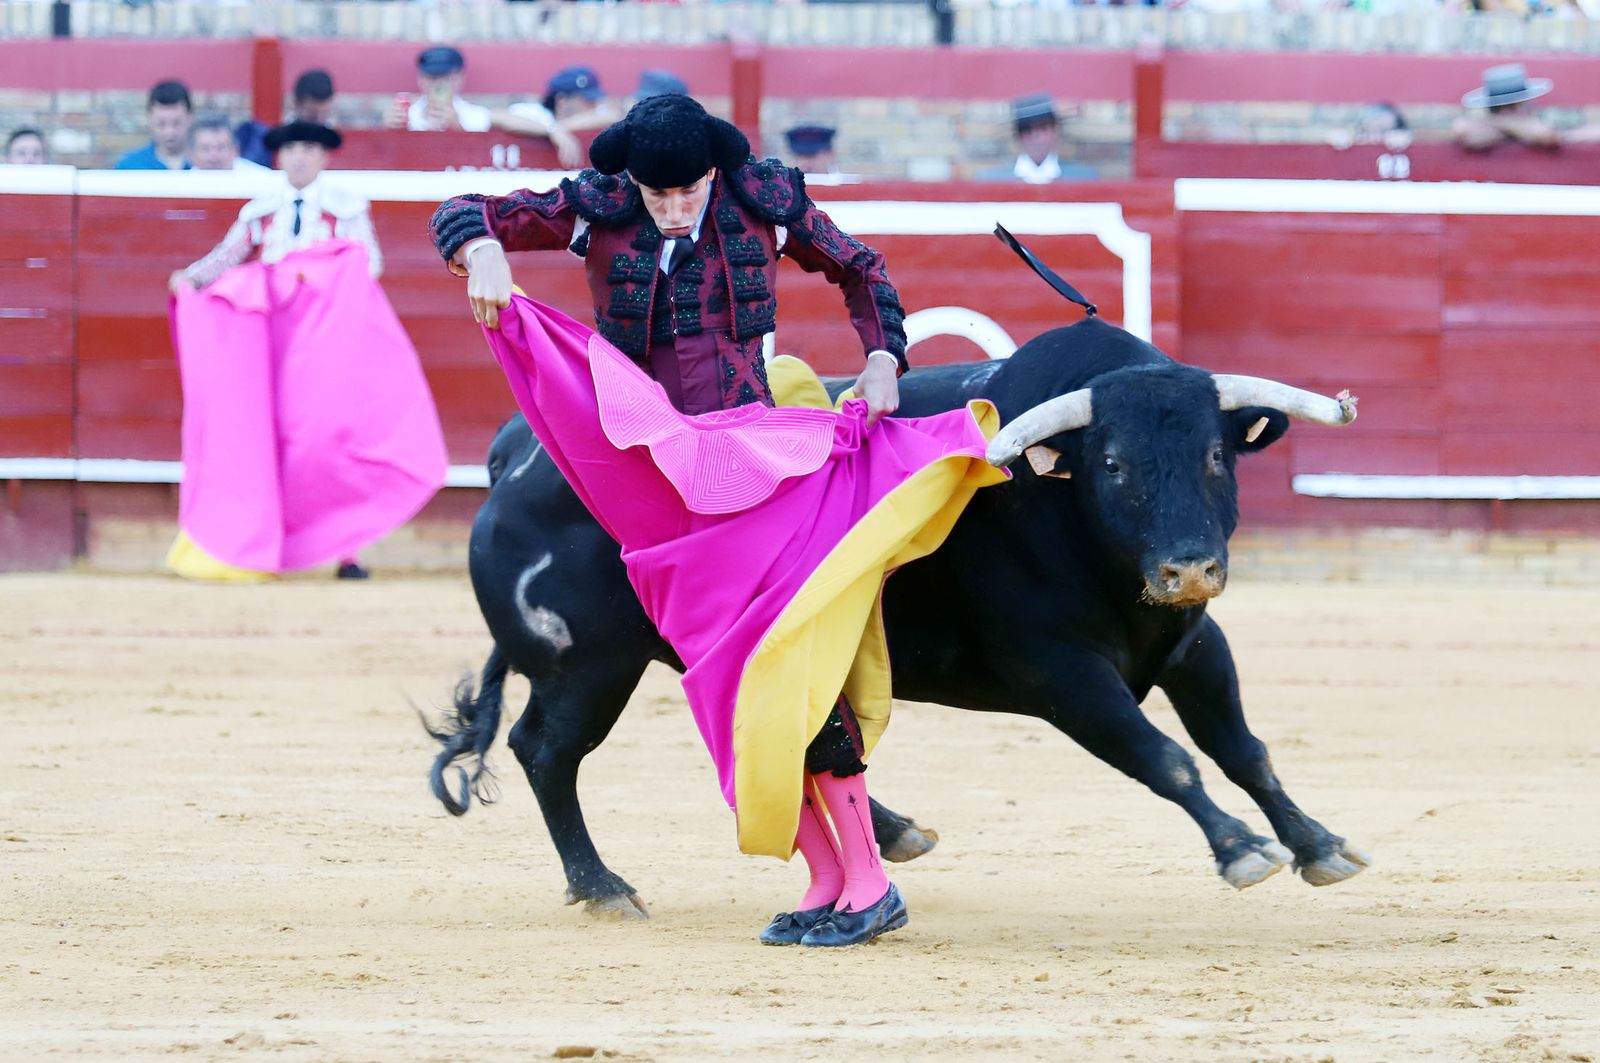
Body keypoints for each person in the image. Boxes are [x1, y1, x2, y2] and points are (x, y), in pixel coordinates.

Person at [429, 94, 1005, 947]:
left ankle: (870, 881)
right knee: (730, 677)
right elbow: (461, 208)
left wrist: (883, 355)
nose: (670, 209)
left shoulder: (762, 198)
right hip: (650, 473)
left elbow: (862, 268)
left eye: (685, 193)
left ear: (713, 173)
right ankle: (824, 874)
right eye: (654, 197)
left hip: (749, 460)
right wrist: (478, 249)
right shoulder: (598, 203)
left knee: (785, 654)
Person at [165, 122, 444, 583]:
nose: (298, 156)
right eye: (291, 148)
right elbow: (226, 256)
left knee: (326, 439)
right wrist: (191, 279)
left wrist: (315, 276)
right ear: (280, 156)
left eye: (308, 148)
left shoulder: (345, 209)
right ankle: (267, 543)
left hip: (323, 339)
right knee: (269, 438)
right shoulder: (261, 210)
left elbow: (367, 264)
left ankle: (346, 551)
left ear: (323, 157)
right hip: (270, 341)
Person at [387, 46, 584, 168]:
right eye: (432, 77)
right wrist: (390, 130)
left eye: (445, 77)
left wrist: (553, 129)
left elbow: (509, 119)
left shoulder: (471, 114)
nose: (438, 84)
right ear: (421, 80)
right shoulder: (405, 114)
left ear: (458, 79)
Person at [979, 93, 1097, 183]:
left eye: (1043, 128)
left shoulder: (1083, 178)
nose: (1037, 137)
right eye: (1027, 130)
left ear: (1055, 131)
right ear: (1019, 136)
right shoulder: (993, 179)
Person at [238, 68, 336, 168]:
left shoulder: (340, 140)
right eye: (312, 114)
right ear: (295, 103)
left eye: (324, 113)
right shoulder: (267, 139)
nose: (319, 119)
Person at [1452, 64, 1559, 153]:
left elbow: (1547, 137)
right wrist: (1509, 124)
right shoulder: (1483, 128)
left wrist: (1503, 125)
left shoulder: (1490, 126)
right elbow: (1465, 133)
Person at [115, 80, 192, 171]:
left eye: (177, 123)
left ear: (190, 118)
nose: (169, 132)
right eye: (161, 124)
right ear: (149, 119)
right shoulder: (129, 166)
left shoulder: (207, 163)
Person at [541, 64, 621, 133]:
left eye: (594, 99)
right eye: (587, 99)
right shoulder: (540, 115)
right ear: (561, 101)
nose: (594, 104)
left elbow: (614, 117)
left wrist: (558, 128)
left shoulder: (595, 111)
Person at [188, 115, 269, 172]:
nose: (214, 156)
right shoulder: (181, 186)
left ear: (236, 151)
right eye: (205, 149)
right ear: (192, 154)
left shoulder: (264, 181)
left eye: (221, 147)